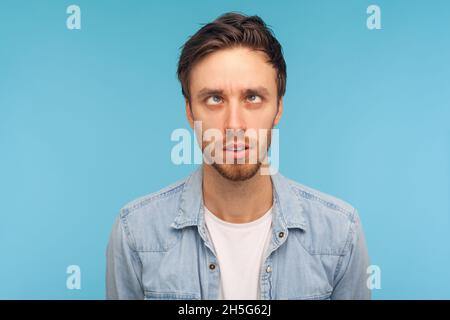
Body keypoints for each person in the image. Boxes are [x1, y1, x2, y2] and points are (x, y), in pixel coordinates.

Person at [106, 12, 370, 300]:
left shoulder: (341, 233)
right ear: (190, 111)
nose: (234, 124)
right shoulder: (135, 233)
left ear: (278, 108)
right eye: (215, 99)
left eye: (253, 97)